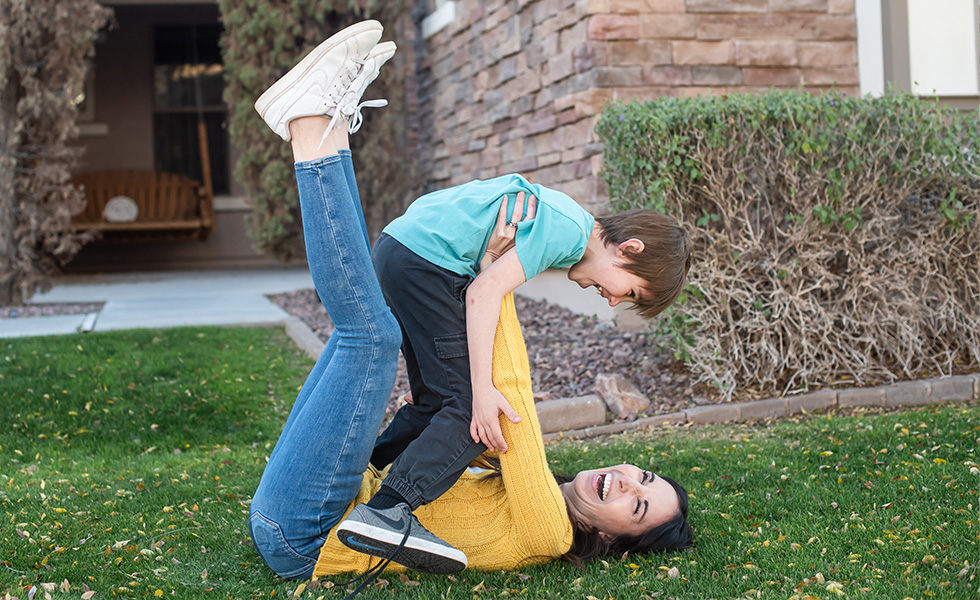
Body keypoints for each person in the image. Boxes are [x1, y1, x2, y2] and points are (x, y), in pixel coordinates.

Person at [247, 20, 694, 585]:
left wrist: (468, 376)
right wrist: (482, 390)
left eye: (636, 506)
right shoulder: (567, 231)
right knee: (459, 404)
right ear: (627, 249)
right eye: (624, 291)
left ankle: (324, 130)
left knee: (426, 390)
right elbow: (497, 346)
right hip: (424, 271)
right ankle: (315, 125)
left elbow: (486, 297)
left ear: (609, 539)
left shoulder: (551, 530)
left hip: (306, 526)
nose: (608, 298)